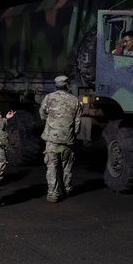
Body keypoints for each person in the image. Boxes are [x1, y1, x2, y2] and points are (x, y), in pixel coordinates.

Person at [39, 75, 83, 203]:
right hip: (67, 141)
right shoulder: (75, 100)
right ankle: (68, 189)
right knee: (67, 167)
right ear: (67, 85)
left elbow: (42, 114)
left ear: (55, 85)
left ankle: (53, 194)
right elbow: (78, 122)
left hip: (52, 140)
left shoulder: (49, 98)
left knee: (52, 167)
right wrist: (72, 135)